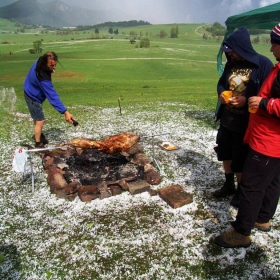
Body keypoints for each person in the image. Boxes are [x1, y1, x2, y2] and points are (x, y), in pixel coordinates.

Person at [215, 23, 280, 248]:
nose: (271, 49)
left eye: (274, 44)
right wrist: (223, 96)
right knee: (270, 181)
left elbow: (268, 97)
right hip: (245, 126)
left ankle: (242, 230)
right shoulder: (234, 64)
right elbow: (222, 83)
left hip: (264, 135)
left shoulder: (263, 64)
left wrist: (259, 102)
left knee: (251, 181)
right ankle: (261, 217)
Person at [23, 51, 75, 148]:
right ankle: (38, 143)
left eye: (55, 65)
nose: (54, 67)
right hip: (32, 96)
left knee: (37, 117)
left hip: (30, 89)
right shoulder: (43, 77)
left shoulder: (40, 60)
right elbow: (52, 96)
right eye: (51, 65)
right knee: (40, 120)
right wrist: (65, 112)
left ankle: (38, 134)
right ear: (44, 63)